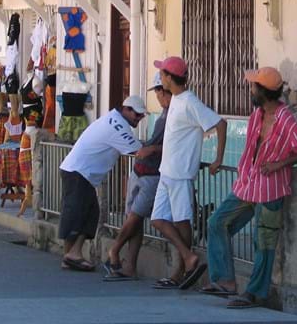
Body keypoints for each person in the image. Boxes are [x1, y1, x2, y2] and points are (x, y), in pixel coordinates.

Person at [201, 67, 297, 308]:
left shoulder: (285, 119)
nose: (250, 89)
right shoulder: (257, 115)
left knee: (263, 242)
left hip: (271, 189)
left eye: (254, 86)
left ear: (263, 91)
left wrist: (280, 163)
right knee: (217, 223)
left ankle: (255, 293)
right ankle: (225, 281)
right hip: (247, 185)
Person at [150, 56, 226, 291]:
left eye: (162, 74)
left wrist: (218, 159)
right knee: (158, 219)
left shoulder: (190, 101)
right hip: (168, 171)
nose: (160, 77)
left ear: (170, 78)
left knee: (182, 220)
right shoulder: (177, 100)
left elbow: (220, 124)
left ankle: (179, 271)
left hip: (181, 171)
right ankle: (187, 257)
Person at [58, 96, 147, 272]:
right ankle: (72, 254)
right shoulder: (117, 125)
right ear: (126, 109)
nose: (139, 118)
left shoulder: (113, 119)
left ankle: (70, 256)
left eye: (142, 116)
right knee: (79, 214)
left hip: (79, 171)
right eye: (137, 115)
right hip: (79, 172)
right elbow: (140, 151)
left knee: (88, 213)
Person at [104, 72, 172, 281]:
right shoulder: (163, 115)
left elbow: (173, 146)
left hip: (153, 175)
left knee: (135, 216)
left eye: (159, 92)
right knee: (134, 219)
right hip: (141, 171)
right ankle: (130, 265)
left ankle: (115, 251)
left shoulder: (174, 115)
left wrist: (151, 149)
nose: (158, 96)